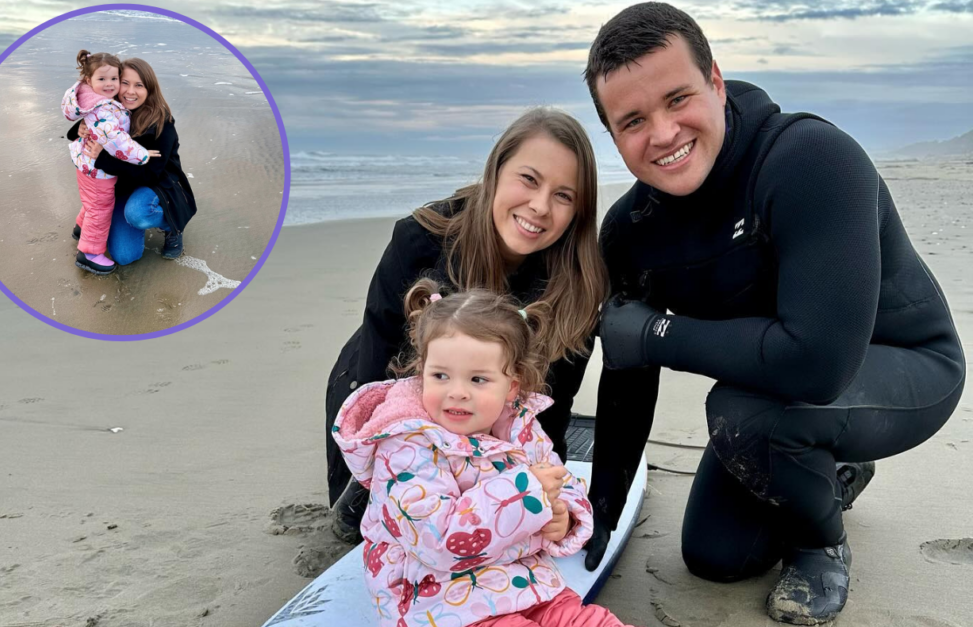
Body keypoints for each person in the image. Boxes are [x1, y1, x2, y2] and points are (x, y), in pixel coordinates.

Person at [581, 3, 965, 624]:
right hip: (773, 391)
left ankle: (820, 545)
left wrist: (658, 334)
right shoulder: (631, 230)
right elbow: (628, 368)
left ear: (716, 81)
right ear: (613, 133)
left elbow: (816, 364)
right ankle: (830, 471)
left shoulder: (810, 159)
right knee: (715, 555)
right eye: (633, 121)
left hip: (903, 368)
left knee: (743, 413)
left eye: (678, 98)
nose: (663, 133)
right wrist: (602, 503)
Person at [325, 107, 607, 544]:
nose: (539, 206)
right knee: (362, 530)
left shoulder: (579, 284)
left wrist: (554, 500)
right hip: (396, 380)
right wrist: (373, 478)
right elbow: (377, 364)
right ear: (496, 170)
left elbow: (554, 403)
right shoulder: (420, 238)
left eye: (564, 195)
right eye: (529, 179)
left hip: (495, 400)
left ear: (579, 211)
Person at [331, 280, 638, 627]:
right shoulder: (405, 445)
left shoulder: (520, 427)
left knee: (590, 622)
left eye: (478, 379)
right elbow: (439, 542)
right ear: (422, 374)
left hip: (525, 584)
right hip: (438, 601)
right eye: (441, 375)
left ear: (512, 387)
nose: (457, 392)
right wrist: (527, 495)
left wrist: (563, 518)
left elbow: (558, 481)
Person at [67, 57, 196, 265]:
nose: (130, 91)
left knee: (138, 213)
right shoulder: (110, 108)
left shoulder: (161, 121)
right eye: (124, 83)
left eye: (139, 85)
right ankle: (94, 223)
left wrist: (103, 158)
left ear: (150, 89)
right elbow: (93, 126)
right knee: (125, 256)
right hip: (123, 186)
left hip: (156, 184)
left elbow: (150, 173)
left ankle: (172, 227)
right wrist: (79, 127)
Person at [62, 50, 157, 275]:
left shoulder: (92, 100)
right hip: (98, 171)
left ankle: (80, 228)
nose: (110, 84)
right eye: (103, 79)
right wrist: (142, 155)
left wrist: (84, 131)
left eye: (114, 79)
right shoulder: (105, 107)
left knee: (93, 203)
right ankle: (89, 254)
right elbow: (118, 141)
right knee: (100, 207)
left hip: (87, 165)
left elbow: (99, 128)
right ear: (89, 80)